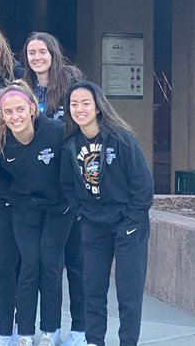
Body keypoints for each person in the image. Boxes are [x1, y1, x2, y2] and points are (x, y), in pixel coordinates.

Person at [60, 82, 154, 346]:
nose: (79, 109)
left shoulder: (121, 138)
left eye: (85, 103)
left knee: (128, 293)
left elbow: (143, 185)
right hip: (92, 224)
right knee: (93, 289)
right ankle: (94, 341)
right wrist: (82, 214)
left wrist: (133, 221)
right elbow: (67, 186)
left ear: (98, 107)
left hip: (127, 224)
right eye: (74, 104)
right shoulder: (70, 144)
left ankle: (127, 342)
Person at [0, 84, 71, 346]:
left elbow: (73, 163)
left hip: (57, 208)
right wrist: (12, 194)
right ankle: (26, 333)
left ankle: (50, 331)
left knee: (50, 265)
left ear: (33, 109)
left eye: (20, 109)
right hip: (24, 208)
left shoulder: (55, 131)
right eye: (8, 112)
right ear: (1, 114)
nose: (15, 116)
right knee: (30, 265)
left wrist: (70, 198)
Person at [20, 33, 86, 346]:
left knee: (75, 261)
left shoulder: (72, 83)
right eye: (31, 52)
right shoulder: (23, 88)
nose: (37, 57)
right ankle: (49, 329)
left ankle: (81, 328)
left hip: (70, 184)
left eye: (42, 51)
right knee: (45, 262)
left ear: (53, 52)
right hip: (37, 188)